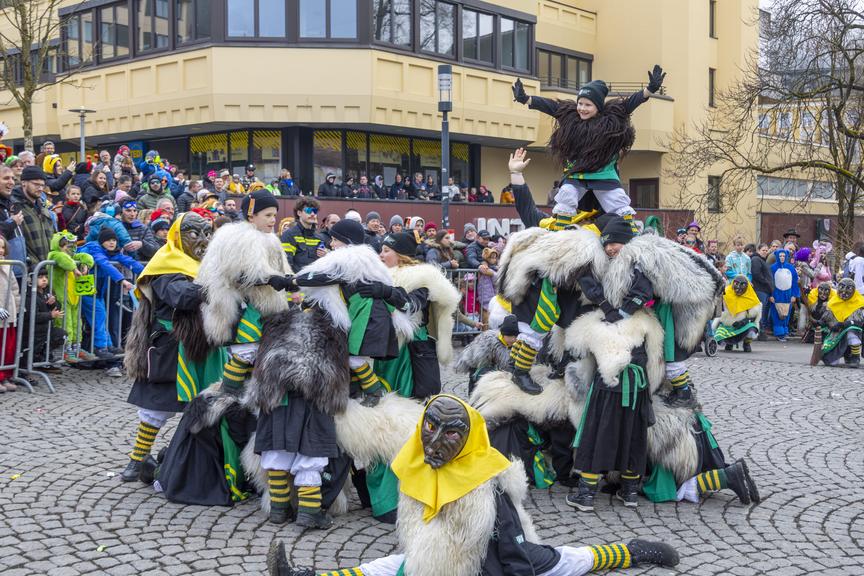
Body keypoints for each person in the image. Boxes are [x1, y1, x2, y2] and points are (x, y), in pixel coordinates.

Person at [268, 395, 680, 576]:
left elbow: (512, 549)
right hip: (440, 560)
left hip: (494, 564)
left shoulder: (486, 485)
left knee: (566, 562)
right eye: (430, 427)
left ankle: (630, 552)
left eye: (450, 434)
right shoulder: (415, 461)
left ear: (468, 439)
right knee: (386, 568)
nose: (433, 440)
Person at [121, 212, 221, 482]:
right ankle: (137, 460)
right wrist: (219, 285)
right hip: (169, 347)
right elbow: (182, 297)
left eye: (206, 233)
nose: (202, 240)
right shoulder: (166, 264)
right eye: (193, 233)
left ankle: (184, 459)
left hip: (201, 346)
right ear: (178, 235)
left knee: (203, 403)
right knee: (157, 407)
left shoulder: (206, 265)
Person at [513, 66, 665, 227]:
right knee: (567, 194)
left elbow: (630, 104)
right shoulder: (570, 116)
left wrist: (650, 89)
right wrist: (526, 99)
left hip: (603, 174)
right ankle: (558, 230)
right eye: (580, 103)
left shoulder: (610, 119)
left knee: (616, 200)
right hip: (577, 173)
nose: (582, 109)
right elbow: (549, 106)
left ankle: (629, 232)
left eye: (587, 105)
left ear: (598, 107)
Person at [78, 227, 144, 358]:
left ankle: (107, 345)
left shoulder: (112, 252)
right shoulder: (94, 248)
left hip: (97, 290)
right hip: (86, 289)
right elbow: (104, 263)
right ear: (102, 241)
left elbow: (129, 261)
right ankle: (100, 347)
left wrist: (147, 274)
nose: (112, 243)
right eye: (108, 240)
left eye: (114, 240)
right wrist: (122, 280)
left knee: (102, 316)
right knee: (99, 316)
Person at [46, 231, 96, 363]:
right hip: (62, 297)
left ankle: (76, 347)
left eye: (70, 246)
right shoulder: (54, 254)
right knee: (65, 322)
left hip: (74, 296)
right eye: (65, 246)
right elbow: (62, 258)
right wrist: (74, 267)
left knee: (76, 322)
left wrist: (86, 264)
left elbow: (86, 256)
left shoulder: (72, 257)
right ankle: (65, 349)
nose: (68, 249)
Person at [454, 314, 519, 393]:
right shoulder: (491, 342)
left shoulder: (511, 343)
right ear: (503, 334)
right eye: (510, 336)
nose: (513, 339)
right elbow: (484, 364)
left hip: (489, 365)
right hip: (476, 364)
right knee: (476, 384)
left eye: (515, 336)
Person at [815, 278, 863, 368]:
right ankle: (845, 355)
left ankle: (855, 357)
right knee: (831, 362)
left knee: (851, 333)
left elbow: (859, 322)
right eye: (842, 287)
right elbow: (826, 318)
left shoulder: (859, 302)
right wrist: (819, 322)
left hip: (854, 330)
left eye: (848, 288)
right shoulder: (833, 302)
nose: (844, 292)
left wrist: (845, 324)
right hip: (837, 333)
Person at [14, 165, 54, 265]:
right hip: (28, 269)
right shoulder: (14, 207)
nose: (40, 188)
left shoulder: (44, 208)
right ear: (23, 183)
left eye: (42, 185)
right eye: (36, 184)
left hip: (46, 268)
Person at [713, 275, 762, 352]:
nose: (738, 288)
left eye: (742, 285)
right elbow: (719, 310)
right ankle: (729, 343)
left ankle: (747, 343)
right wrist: (719, 322)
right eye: (736, 284)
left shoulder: (751, 297)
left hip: (743, 326)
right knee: (719, 335)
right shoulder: (726, 293)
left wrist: (743, 322)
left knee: (752, 329)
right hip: (728, 326)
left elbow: (755, 316)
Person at [281, 197, 325, 273]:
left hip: (315, 281)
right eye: (308, 211)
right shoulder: (289, 235)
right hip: (296, 282)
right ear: (299, 213)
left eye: (314, 211)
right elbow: (286, 264)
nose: (312, 214)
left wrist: (326, 255)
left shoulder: (319, 238)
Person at [0, 236, 19, 392]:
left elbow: (15, 289)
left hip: (9, 314)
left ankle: (5, 375)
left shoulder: (8, 265)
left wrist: (17, 308)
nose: (0, 251)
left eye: (2, 248)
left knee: (8, 347)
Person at [769, 248, 799, 342]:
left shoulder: (791, 268)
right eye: (780, 256)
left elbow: (794, 282)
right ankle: (779, 333)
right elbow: (770, 282)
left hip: (787, 295)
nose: (782, 257)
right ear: (777, 256)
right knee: (777, 313)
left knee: (787, 313)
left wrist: (794, 295)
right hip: (777, 294)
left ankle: (785, 331)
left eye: (783, 256)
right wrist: (771, 295)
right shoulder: (772, 268)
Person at [751, 243, 774, 341]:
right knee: (760, 311)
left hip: (765, 290)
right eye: (763, 250)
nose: (765, 252)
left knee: (763, 312)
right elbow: (756, 274)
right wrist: (766, 282)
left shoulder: (763, 260)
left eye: (766, 250)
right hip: (760, 289)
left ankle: (760, 331)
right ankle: (760, 332)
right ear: (758, 250)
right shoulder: (756, 259)